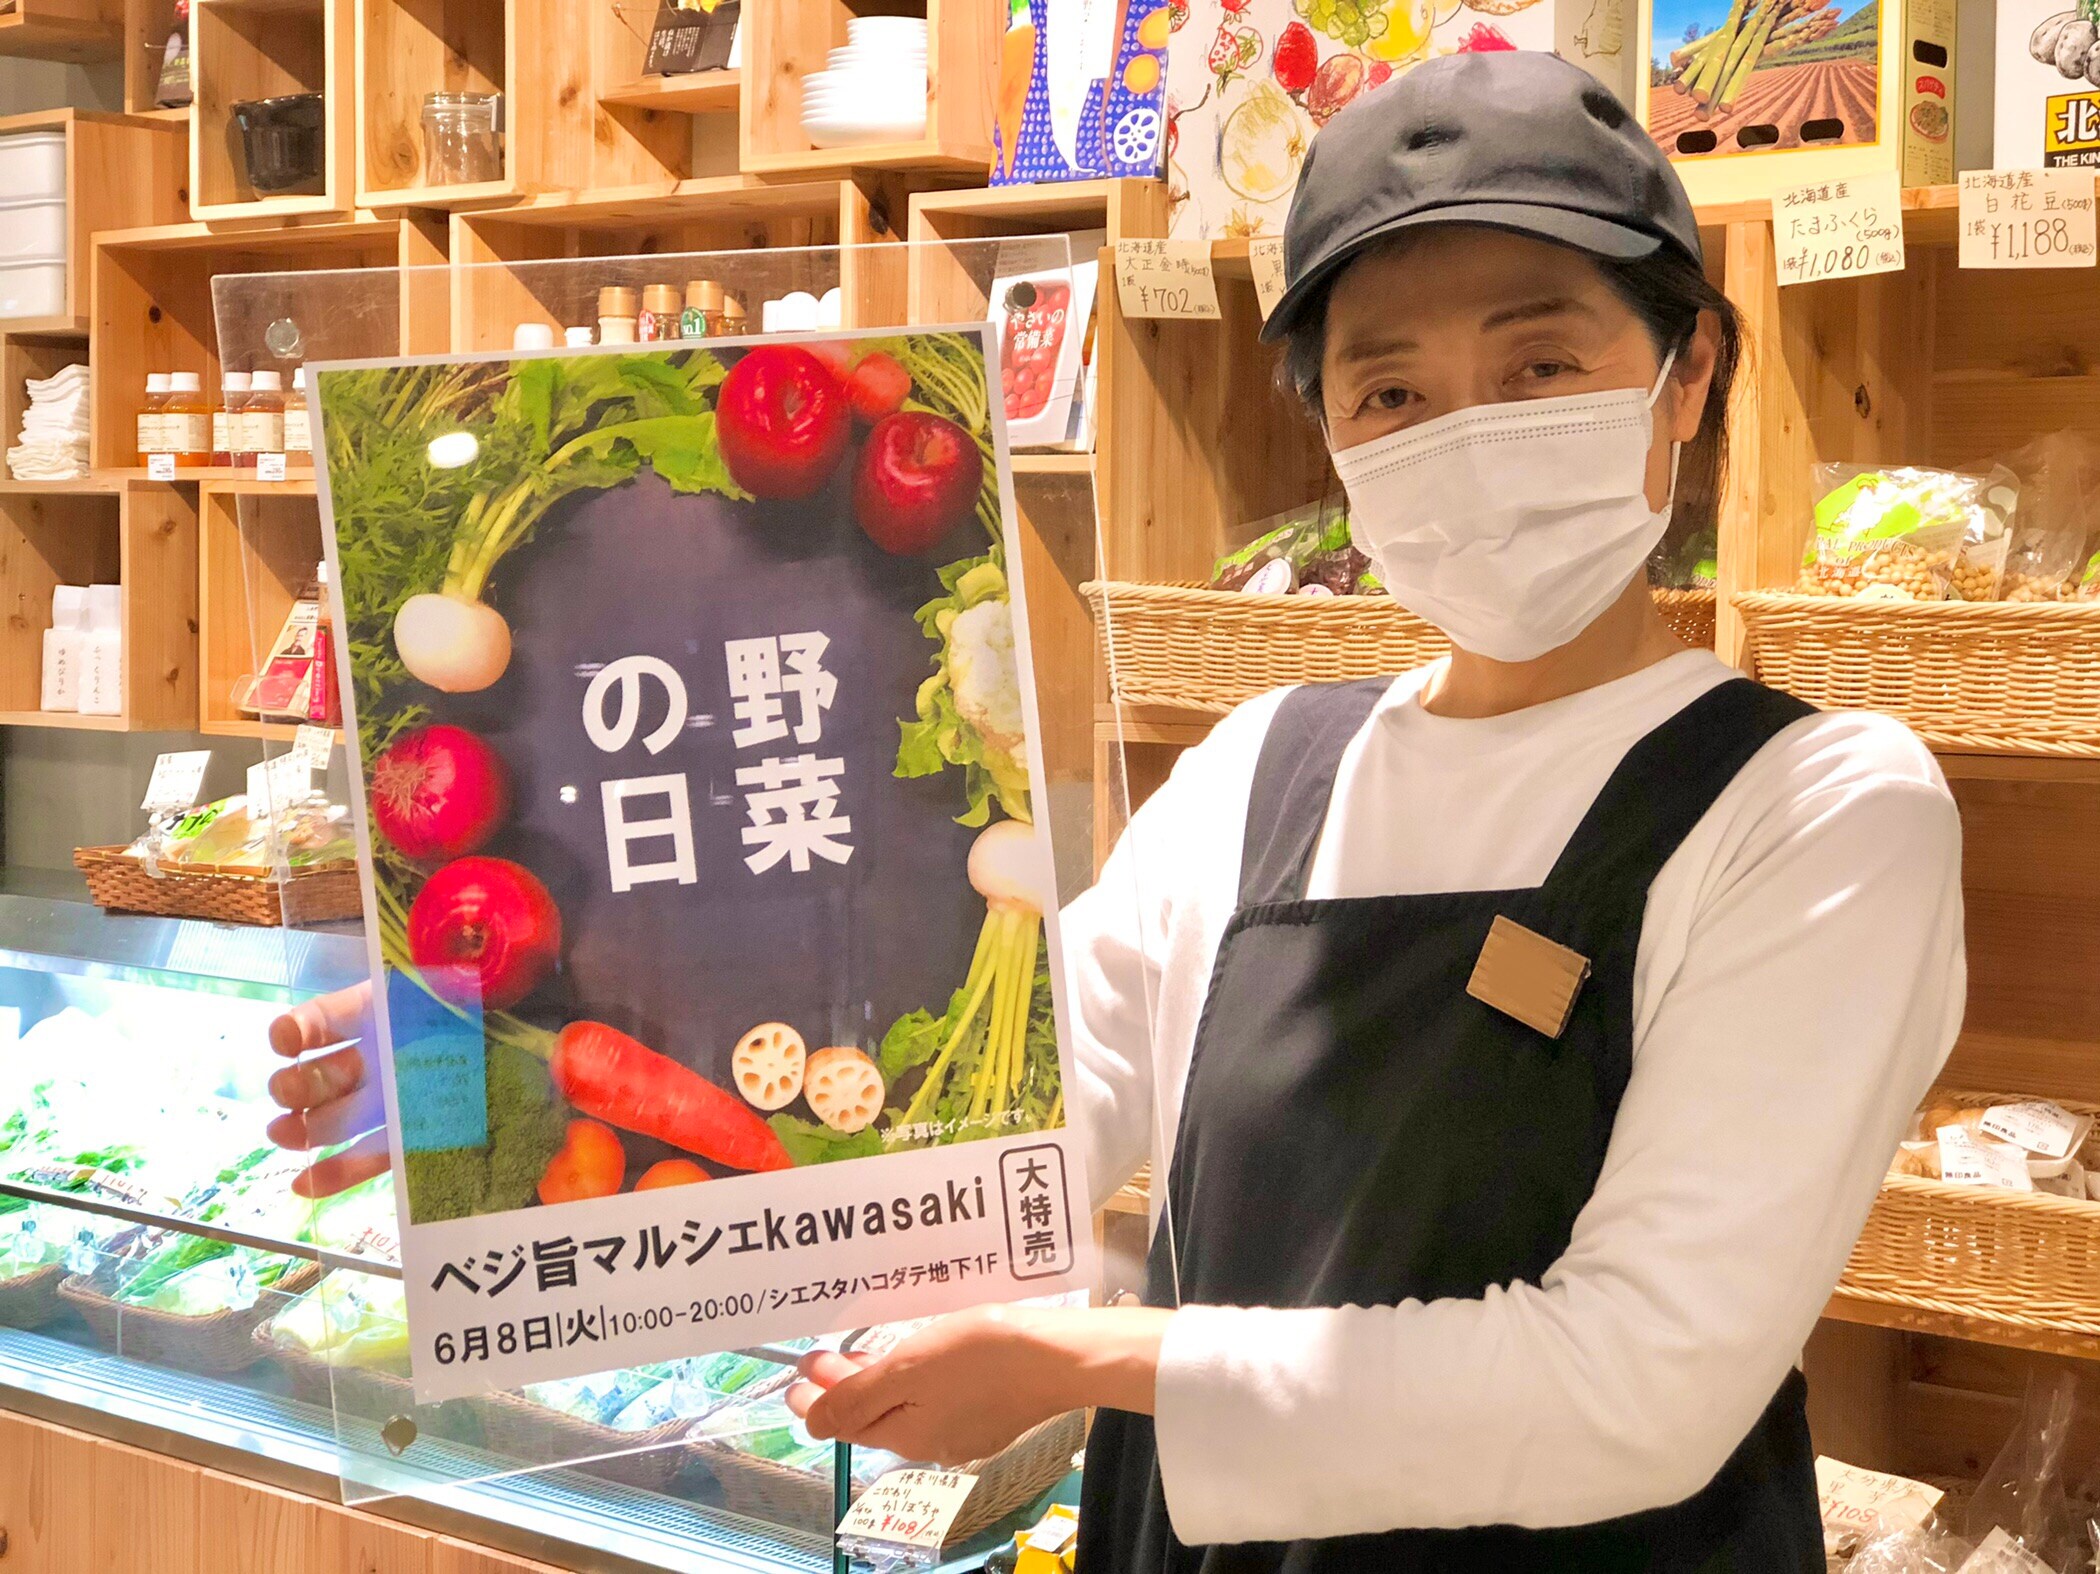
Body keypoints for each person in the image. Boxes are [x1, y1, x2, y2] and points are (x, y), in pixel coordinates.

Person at [266, 51, 1965, 1571]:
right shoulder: (1264, 769)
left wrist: (1085, 1361)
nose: (1469, 433)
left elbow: (1636, 1383)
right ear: (1338, 442)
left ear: (1685, 370)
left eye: (1542, 362)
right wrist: (479, 1073)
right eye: (1392, 392)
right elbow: (967, 1151)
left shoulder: (1814, 809)